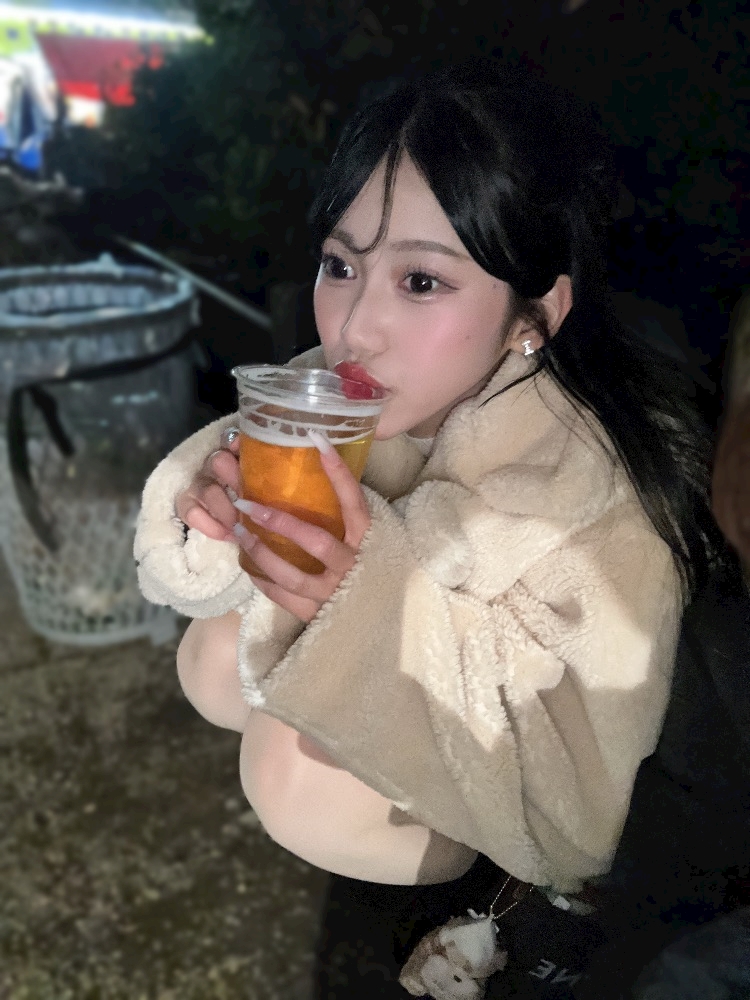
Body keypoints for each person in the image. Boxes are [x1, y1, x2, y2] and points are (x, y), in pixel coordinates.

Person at [134, 62, 725, 997]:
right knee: (215, 656)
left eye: (420, 279)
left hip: (502, 802)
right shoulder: (350, 392)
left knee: (290, 772)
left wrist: (364, 604)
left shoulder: (594, 491)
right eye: (341, 265)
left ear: (537, 314)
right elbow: (199, 552)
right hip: (394, 720)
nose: (355, 327)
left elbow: (578, 801)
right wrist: (214, 514)